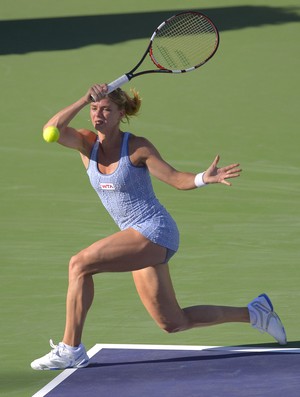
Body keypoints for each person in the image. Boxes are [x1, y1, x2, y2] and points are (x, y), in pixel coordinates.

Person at [31, 84, 287, 370]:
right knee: (172, 322)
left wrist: (204, 177)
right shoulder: (86, 143)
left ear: (121, 113)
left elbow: (176, 178)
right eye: (94, 109)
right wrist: (82, 98)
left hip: (155, 230)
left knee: (79, 264)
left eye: (105, 109)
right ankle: (254, 313)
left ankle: (71, 348)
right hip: (135, 237)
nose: (98, 115)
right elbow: (51, 130)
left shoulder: (138, 147)